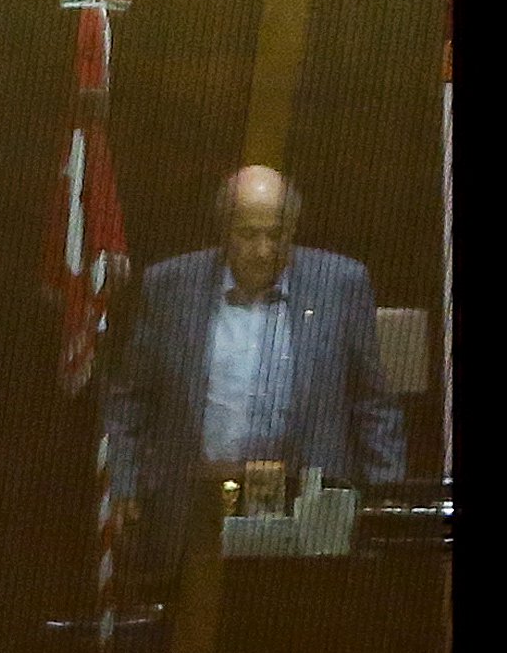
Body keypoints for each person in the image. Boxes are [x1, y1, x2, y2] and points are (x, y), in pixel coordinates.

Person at [103, 165, 406, 574]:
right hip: (194, 507)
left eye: (276, 234)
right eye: (249, 234)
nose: (264, 250)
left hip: (310, 510)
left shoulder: (341, 284)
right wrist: (123, 483)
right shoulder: (170, 286)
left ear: (293, 228)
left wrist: (384, 503)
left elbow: (374, 404)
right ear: (225, 229)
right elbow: (130, 400)